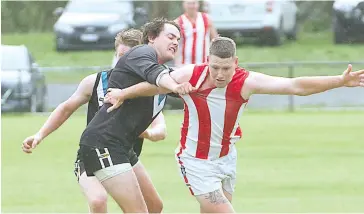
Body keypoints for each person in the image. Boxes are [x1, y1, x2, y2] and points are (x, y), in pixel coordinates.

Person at [104, 36, 364, 213]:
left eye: (226, 68)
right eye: (215, 67)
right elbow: (154, 85)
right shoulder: (189, 75)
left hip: (227, 160)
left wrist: (339, 81)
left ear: (235, 64)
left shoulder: (246, 82)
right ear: (208, 62)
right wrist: (123, 93)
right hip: (195, 161)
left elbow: (294, 86)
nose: (220, 74)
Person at [21, 28, 166, 213]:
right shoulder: (96, 82)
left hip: (124, 153)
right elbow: (66, 108)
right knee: (98, 200)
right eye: (120, 56)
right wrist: (39, 135)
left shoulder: (150, 90)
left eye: (129, 58)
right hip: (92, 153)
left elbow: (160, 129)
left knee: (155, 206)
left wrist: (148, 133)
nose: (124, 62)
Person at [77, 17, 195, 213]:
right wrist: (175, 86)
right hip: (104, 143)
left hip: (122, 147)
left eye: (178, 40)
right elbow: (158, 77)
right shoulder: (142, 52)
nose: (175, 42)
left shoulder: (158, 70)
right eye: (170, 36)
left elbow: (159, 82)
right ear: (151, 37)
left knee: (154, 206)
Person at [174, 0, 218, 67]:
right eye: (189, 3)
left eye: (194, 3)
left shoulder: (206, 18)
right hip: (184, 64)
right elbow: (175, 44)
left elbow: (215, 40)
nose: (191, 6)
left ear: (198, 4)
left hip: (204, 63)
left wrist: (215, 59)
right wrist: (177, 63)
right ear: (184, 5)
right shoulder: (178, 21)